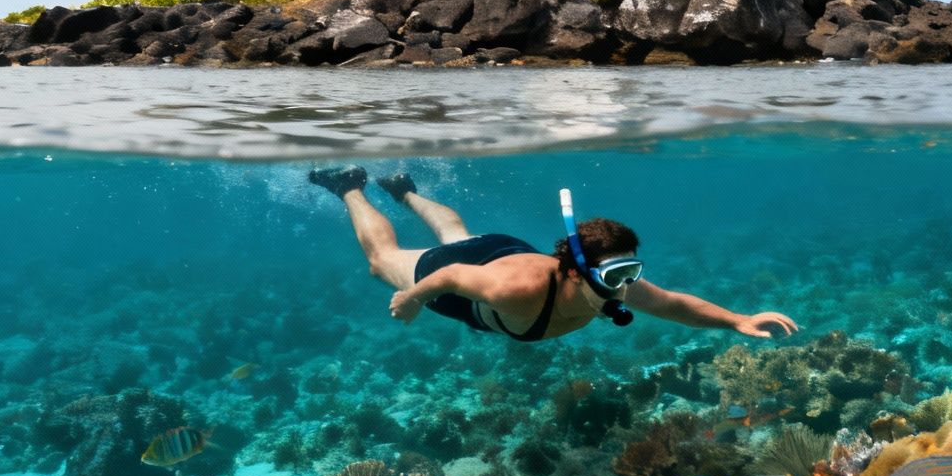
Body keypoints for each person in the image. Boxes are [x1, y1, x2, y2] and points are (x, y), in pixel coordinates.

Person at [308, 166, 800, 342]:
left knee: (459, 233)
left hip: (502, 251)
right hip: (463, 280)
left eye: (630, 270)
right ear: (578, 270)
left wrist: (737, 319)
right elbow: (453, 274)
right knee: (385, 262)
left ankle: (405, 191)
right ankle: (351, 187)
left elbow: (671, 304)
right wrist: (412, 297)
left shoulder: (611, 284)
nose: (625, 286)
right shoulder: (514, 290)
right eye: (615, 273)